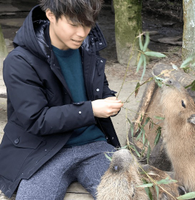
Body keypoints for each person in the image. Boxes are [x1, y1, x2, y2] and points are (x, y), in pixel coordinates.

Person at [0, 0, 123, 199]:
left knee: (130, 193)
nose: (82, 33)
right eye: (74, 24)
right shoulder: (19, 61)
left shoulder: (88, 48)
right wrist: (91, 109)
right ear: (50, 14)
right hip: (42, 151)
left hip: (94, 146)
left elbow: (99, 89)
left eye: (88, 24)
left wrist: (109, 99)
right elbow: (37, 120)